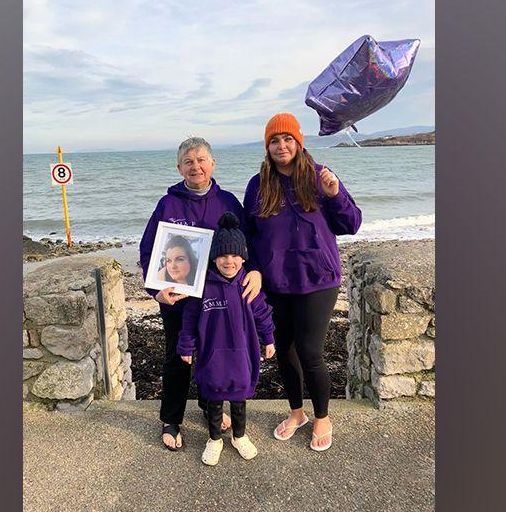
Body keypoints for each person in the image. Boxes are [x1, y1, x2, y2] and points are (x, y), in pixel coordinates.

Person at [242, 113, 362, 452]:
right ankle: (297, 413)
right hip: (276, 284)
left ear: (299, 142)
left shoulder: (320, 176)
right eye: (275, 141)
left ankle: (322, 416)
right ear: (267, 146)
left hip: (318, 280)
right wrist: (252, 267)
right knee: (285, 351)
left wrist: (335, 194)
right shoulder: (258, 185)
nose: (282, 146)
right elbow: (247, 235)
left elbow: (351, 224)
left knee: (310, 352)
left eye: (287, 139)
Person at [139, 137, 263, 451]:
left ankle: (211, 405)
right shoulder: (168, 204)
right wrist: (156, 290)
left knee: (217, 355)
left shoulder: (229, 202)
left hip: (219, 300)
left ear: (212, 164)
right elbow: (148, 250)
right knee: (177, 357)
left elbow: (248, 246)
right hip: (177, 299)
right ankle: (171, 418)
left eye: (201, 159)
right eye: (189, 161)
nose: (196, 166)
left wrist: (255, 271)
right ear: (179, 167)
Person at [177, 212, 276, 465]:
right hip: (212, 355)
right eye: (222, 255)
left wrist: (269, 339)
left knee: (239, 398)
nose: (228, 261)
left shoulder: (248, 285)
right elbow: (189, 319)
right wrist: (186, 346)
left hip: (242, 354)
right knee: (213, 398)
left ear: (243, 257)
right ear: (214, 258)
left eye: (234, 256)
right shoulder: (202, 286)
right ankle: (214, 439)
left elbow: (263, 314)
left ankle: (239, 436)